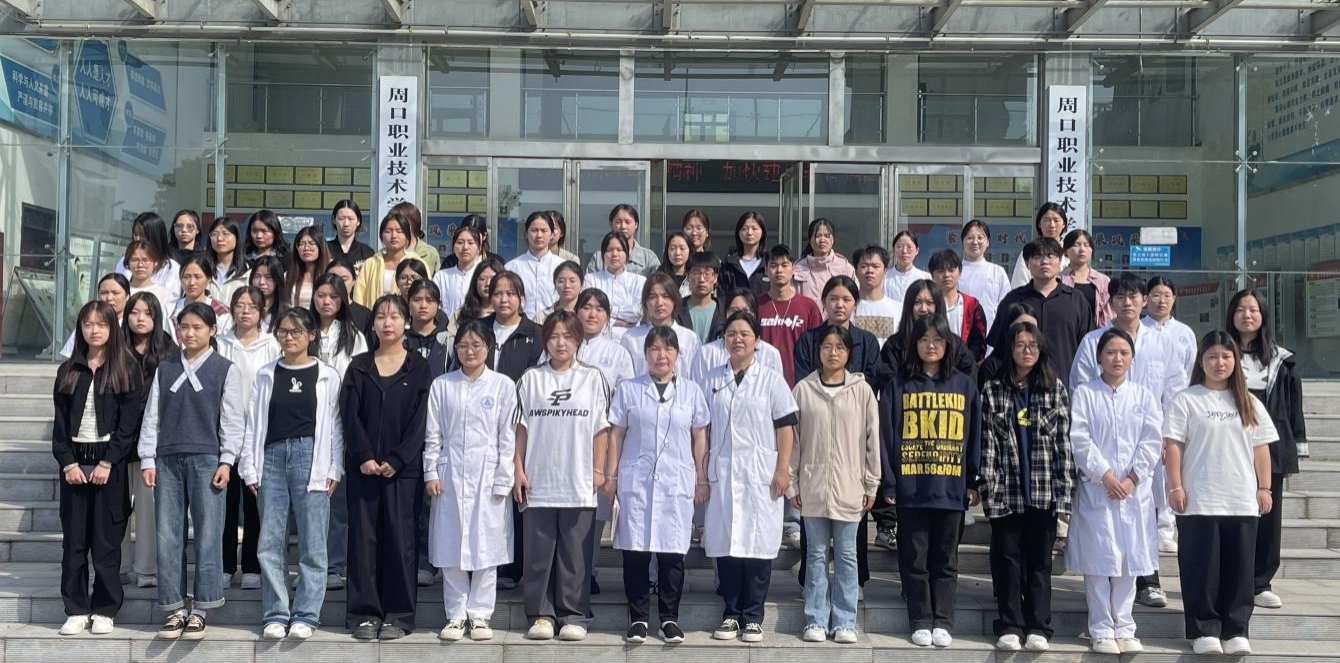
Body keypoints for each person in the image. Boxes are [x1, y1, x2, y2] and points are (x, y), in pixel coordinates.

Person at [1071, 273, 1188, 607]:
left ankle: (1149, 583)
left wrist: (1169, 436)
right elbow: (1080, 386)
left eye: (1133, 296)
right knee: (1103, 532)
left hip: (1147, 444)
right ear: (1110, 302)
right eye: (1120, 297)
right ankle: (1102, 604)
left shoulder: (1161, 342)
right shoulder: (1093, 341)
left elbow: (1174, 389)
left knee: (1143, 520)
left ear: (1144, 300)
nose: (1127, 302)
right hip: (1102, 447)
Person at [1164, 331, 1277, 656]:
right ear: (1201, 362)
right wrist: (1175, 486)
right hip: (1199, 498)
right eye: (1212, 357)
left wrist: (1264, 487)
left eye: (1226, 356)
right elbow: (1173, 445)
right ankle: (1204, 630)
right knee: (1201, 569)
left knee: (1239, 570)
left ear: (1235, 361)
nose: (1219, 362)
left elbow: (1261, 449)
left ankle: (1235, 629)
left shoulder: (1249, 402)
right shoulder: (1187, 399)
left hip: (1240, 499)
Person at [139, 302, 245, 640]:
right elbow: (152, 417)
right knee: (168, 535)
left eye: (198, 327)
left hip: (207, 460)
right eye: (184, 326)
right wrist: (148, 459)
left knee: (208, 533)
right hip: (167, 459)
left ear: (212, 330)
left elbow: (232, 419)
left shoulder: (225, 369)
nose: (190, 333)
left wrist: (227, 460)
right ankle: (173, 608)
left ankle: (201, 607)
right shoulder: (166, 368)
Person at [239, 307, 343, 641]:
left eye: (297, 331)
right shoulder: (266, 373)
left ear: (312, 335)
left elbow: (335, 425)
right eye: (283, 331)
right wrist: (248, 466)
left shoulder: (326, 375)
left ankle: (307, 614)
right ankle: (276, 612)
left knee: (313, 541)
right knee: (270, 540)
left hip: (311, 456)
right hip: (271, 456)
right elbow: (253, 422)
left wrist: (335, 466)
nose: (289, 337)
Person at [878, 314, 982, 649]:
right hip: (911, 489)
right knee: (915, 559)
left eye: (938, 339)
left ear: (948, 344)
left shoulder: (964, 385)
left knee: (946, 560)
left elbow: (975, 435)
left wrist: (973, 480)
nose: (931, 345)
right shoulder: (898, 385)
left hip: (951, 489)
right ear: (915, 344)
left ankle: (943, 620)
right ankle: (920, 619)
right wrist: (890, 483)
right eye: (924, 339)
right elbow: (886, 437)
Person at [604, 326, 710, 645]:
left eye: (668, 349)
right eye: (654, 349)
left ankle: (668, 619)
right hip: (635, 481)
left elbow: (699, 436)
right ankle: (638, 618)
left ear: (677, 354)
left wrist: (701, 477)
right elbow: (616, 434)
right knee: (635, 552)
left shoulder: (691, 391)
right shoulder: (629, 390)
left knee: (672, 553)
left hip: (676, 482)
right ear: (645, 354)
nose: (661, 355)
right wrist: (611, 476)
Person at [514, 311, 611, 642]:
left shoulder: (592, 378)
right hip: (539, 478)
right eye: (554, 336)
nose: (560, 343)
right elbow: (521, 429)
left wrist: (598, 469)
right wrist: (518, 469)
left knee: (575, 555)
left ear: (578, 340)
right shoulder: (531, 379)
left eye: (567, 336)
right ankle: (540, 614)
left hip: (578, 478)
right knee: (538, 555)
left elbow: (601, 428)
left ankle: (573, 615)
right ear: (545, 341)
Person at [702, 311, 798, 644]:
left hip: (761, 475)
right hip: (723, 473)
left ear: (757, 340)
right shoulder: (712, 378)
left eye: (744, 334)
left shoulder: (771, 379)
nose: (737, 339)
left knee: (757, 544)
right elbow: (701, 428)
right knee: (727, 543)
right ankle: (731, 613)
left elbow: (785, 428)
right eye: (731, 334)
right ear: (723, 340)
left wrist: (783, 468)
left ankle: (753, 616)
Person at [981, 321, 1077, 653]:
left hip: (1043, 492)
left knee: (1039, 563)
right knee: (1008, 561)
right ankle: (1010, 624)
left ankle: (1038, 625)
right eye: (1020, 345)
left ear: (1041, 350)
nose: (1026, 351)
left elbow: (1064, 445)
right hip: (1005, 492)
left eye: (1032, 345)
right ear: (1010, 349)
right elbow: (987, 445)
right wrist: (989, 489)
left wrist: (1064, 495)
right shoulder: (993, 390)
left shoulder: (1054, 389)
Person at [1067, 327, 1163, 655]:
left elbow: (1152, 440)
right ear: (1099, 357)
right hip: (1098, 489)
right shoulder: (1085, 394)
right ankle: (1100, 627)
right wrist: (1105, 475)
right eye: (1110, 352)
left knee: (1127, 561)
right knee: (1098, 561)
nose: (1117, 358)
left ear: (1132, 358)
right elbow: (1080, 439)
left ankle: (1124, 626)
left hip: (1134, 493)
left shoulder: (1143, 396)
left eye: (1124, 353)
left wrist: (1132, 478)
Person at [341, 295, 432, 640]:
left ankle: (399, 615)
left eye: (394, 316)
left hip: (402, 472)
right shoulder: (359, 366)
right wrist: (363, 455)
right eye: (381, 316)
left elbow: (421, 420)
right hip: (363, 469)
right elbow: (349, 415)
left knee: (400, 541)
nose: (387, 322)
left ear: (406, 322)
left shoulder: (418, 367)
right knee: (363, 541)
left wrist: (398, 459)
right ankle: (364, 613)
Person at [424, 319, 517, 642]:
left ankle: (479, 614)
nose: (470, 351)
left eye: (476, 345)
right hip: (450, 472)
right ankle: (455, 614)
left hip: (488, 473)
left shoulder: (502, 385)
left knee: (486, 546)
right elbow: (433, 434)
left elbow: (507, 437)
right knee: (450, 543)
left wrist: (503, 478)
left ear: (488, 347)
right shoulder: (442, 385)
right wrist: (431, 471)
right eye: (463, 345)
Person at [53, 301, 143, 636]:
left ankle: (105, 609)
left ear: (112, 329)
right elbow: (60, 426)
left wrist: (108, 461)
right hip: (75, 462)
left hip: (110, 462)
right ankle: (76, 608)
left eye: (101, 325)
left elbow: (128, 425)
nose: (95, 330)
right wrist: (68, 462)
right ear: (80, 329)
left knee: (107, 541)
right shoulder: (69, 370)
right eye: (88, 324)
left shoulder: (126, 368)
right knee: (75, 541)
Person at [789, 324, 880, 645]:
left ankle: (844, 621)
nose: (833, 353)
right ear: (818, 351)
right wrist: (792, 483)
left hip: (849, 486)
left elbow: (872, 439)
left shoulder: (862, 390)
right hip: (812, 485)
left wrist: (871, 483)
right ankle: (815, 619)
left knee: (847, 555)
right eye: (826, 346)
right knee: (815, 555)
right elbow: (793, 441)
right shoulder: (803, 389)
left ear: (849, 353)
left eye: (839, 347)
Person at [1226, 289, 1306, 611]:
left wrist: (1294, 449)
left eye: (1253, 310)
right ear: (1231, 315)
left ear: (1263, 316)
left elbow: (1294, 408)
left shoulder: (1281, 361)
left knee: (1268, 517)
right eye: (1240, 309)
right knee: (1232, 518)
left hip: (1270, 448)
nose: (1247, 315)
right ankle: (1232, 581)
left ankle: (1261, 583)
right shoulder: (1221, 354)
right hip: (1228, 447)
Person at [469, 271, 545, 590]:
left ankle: (513, 567)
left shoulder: (535, 334)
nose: (504, 299)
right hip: (480, 424)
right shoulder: (478, 329)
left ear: (521, 298)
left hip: (521, 423)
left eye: (511, 293)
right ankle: (480, 562)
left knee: (515, 491)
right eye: (498, 293)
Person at [217, 287, 282, 591]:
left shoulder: (272, 344)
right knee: (226, 503)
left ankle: (253, 566)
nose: (245, 311)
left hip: (261, 433)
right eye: (240, 305)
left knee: (255, 502)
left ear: (262, 312)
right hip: (226, 432)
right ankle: (226, 565)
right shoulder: (221, 343)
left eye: (252, 306)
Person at [574, 287, 635, 592]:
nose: (592, 314)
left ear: (607, 316)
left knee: (597, 510)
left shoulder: (617, 352)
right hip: (567, 438)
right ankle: (569, 572)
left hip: (603, 437)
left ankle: (590, 571)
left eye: (599, 309)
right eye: (586, 307)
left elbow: (625, 401)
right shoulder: (563, 344)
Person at [120, 291, 176, 589]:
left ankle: (146, 569)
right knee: (115, 510)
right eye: (134, 312)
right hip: (117, 441)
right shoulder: (115, 347)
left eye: (147, 313)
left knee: (148, 509)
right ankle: (116, 566)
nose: (140, 318)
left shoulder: (169, 351)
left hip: (153, 442)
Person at [989, 238, 1093, 387]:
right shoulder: (1013, 300)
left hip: (1065, 385)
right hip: (1018, 388)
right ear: (1027, 263)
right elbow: (1000, 347)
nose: (1045, 261)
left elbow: (1087, 347)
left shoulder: (1076, 300)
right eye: (1037, 256)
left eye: (1051, 256)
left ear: (1060, 262)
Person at [875, 279, 977, 394]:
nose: (923, 309)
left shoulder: (954, 343)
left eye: (929, 303)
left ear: (938, 306)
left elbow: (969, 382)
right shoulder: (895, 345)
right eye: (917, 302)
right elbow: (888, 387)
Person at [793, 275, 880, 385]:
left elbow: (871, 383)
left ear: (856, 304)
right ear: (824, 302)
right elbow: (802, 381)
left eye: (846, 300)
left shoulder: (868, 342)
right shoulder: (807, 341)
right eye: (833, 299)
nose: (839, 305)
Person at [757, 244, 823, 388]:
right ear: (766, 270)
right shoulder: (756, 305)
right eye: (773, 265)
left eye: (784, 265)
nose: (779, 270)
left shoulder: (808, 307)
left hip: (800, 383)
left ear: (793, 269)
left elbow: (818, 347)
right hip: (761, 383)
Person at [690, 289, 784, 389]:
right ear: (725, 314)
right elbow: (696, 392)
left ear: (755, 315)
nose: (740, 316)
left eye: (746, 311)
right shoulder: (706, 354)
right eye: (734, 311)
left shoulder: (770, 354)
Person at [621, 273, 701, 377]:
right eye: (653, 297)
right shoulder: (630, 338)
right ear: (645, 302)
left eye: (665, 296)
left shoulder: (690, 339)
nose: (659, 303)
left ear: (674, 300)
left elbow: (696, 377)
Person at [353, 210, 425, 308]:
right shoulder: (371, 264)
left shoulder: (417, 263)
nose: (394, 236)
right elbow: (359, 296)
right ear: (381, 235)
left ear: (407, 236)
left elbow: (427, 291)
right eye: (388, 231)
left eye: (399, 231)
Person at [584, 232, 647, 338]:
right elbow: (589, 311)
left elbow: (637, 313)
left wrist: (607, 310)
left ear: (627, 254)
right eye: (609, 250)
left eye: (619, 250)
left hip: (629, 338)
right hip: (599, 338)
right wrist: (615, 322)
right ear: (603, 254)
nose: (614, 254)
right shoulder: (591, 279)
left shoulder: (639, 281)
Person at [929, 250, 988, 363]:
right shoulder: (926, 306)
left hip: (964, 367)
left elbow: (979, 343)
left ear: (959, 272)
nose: (946, 275)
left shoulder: (972, 305)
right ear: (932, 275)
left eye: (951, 270)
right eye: (941, 271)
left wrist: (965, 362)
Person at [507, 211, 565, 320]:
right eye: (534, 230)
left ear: (552, 234)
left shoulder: (562, 266)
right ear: (526, 234)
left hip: (553, 324)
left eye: (544, 231)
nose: (539, 235)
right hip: (520, 325)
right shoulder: (512, 267)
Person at [311, 274, 370, 379]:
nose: (326, 302)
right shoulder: (304, 333)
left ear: (342, 299)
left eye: (333, 297)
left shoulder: (354, 337)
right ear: (313, 297)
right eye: (321, 296)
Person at [958, 219, 1012, 330]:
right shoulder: (955, 272)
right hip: (960, 332)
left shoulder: (997, 272)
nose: (975, 242)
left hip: (992, 334)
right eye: (970, 238)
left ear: (987, 242)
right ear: (962, 242)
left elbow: (1007, 307)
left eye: (980, 238)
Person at [61, 273, 131, 358]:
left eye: (115, 293)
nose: (109, 298)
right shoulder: (86, 325)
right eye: (104, 293)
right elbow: (68, 358)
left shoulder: (132, 327)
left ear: (127, 296)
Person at [115, 212, 182, 301]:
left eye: (142, 235)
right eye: (135, 234)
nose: (138, 239)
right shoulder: (124, 261)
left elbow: (171, 301)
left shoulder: (171, 268)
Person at [432, 220, 487, 321]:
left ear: (479, 248)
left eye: (471, 243)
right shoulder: (441, 276)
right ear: (453, 247)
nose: (465, 247)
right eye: (460, 242)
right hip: (447, 328)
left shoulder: (483, 276)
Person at [793, 218, 856, 305]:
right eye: (818, 236)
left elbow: (854, 297)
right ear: (810, 240)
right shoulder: (798, 268)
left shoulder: (845, 267)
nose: (822, 240)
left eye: (827, 236)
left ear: (833, 239)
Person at [1143, 276, 1197, 375]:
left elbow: (1191, 368)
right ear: (1146, 299)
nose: (1162, 301)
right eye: (1156, 295)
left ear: (1173, 299)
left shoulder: (1184, 332)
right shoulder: (1138, 328)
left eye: (1167, 296)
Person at [587, 204, 661, 276]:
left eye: (627, 222)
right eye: (618, 222)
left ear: (636, 224)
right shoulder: (598, 258)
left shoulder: (648, 257)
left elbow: (659, 282)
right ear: (611, 224)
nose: (623, 226)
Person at [979, 303, 1039, 388]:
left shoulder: (1043, 366)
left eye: (1032, 328)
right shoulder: (991, 367)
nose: (1025, 332)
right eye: (1020, 327)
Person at [1060, 229, 1112, 328]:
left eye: (1086, 245)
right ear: (1066, 250)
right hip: (1066, 333)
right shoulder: (1058, 279)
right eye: (1076, 245)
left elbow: (1108, 317)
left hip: (1095, 335)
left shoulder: (1103, 281)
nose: (1082, 249)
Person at [852, 245, 901, 347]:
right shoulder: (848, 308)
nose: (870, 270)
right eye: (864, 266)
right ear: (856, 272)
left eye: (875, 266)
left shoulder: (899, 309)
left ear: (885, 272)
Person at [1011, 203, 1069, 288]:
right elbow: (1019, 284)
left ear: (1064, 224)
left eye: (1056, 220)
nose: (1052, 225)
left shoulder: (1070, 251)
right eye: (1047, 220)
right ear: (1039, 223)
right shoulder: (1030, 251)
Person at [174, 254, 233, 335]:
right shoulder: (169, 310)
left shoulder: (222, 314)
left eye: (197, 277)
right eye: (186, 277)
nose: (192, 283)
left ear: (208, 279)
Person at [404, 280, 451, 378]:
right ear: (408, 303)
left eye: (429, 300)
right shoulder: (401, 340)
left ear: (438, 304)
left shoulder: (449, 341)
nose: (423, 306)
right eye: (417, 300)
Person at [718, 211, 769, 295]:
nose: (749, 233)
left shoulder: (769, 262)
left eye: (754, 228)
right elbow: (722, 295)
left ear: (762, 232)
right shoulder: (728, 264)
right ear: (738, 232)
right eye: (744, 228)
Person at [204, 218, 251, 307]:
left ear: (237, 237)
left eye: (225, 234)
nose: (219, 238)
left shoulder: (248, 271)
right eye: (214, 234)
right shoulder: (202, 269)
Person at [285, 227, 331, 309]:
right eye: (301, 244)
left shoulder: (331, 273)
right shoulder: (287, 276)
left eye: (312, 243)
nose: (306, 248)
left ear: (321, 246)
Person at [124, 241, 178, 312]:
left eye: (145, 260)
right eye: (135, 260)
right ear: (128, 263)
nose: (140, 265)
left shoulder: (164, 295)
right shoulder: (120, 291)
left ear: (155, 263)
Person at [390, 201, 441, 275]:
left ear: (413, 223)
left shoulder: (430, 253)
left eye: (400, 221)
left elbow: (436, 280)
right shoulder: (385, 253)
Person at [883, 231, 931, 302]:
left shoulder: (925, 278)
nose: (904, 251)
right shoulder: (884, 277)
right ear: (893, 250)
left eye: (909, 247)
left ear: (917, 250)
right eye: (899, 247)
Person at [684, 252, 720, 344]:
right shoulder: (677, 310)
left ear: (715, 278)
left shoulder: (723, 311)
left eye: (707, 274)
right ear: (688, 277)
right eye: (695, 273)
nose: (701, 279)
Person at [327, 199, 375, 269]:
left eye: (350, 219)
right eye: (341, 218)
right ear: (334, 220)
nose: (346, 224)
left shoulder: (367, 252)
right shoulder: (325, 249)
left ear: (358, 221)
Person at [459, 256, 506, 326]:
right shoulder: (461, 314)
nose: (488, 283)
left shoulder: (509, 313)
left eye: (493, 279)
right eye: (482, 279)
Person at [249, 255, 286, 333]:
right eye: (257, 276)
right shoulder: (245, 310)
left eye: (268, 277)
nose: (261, 282)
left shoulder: (286, 313)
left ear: (277, 280)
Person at [658, 231, 694, 297]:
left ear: (690, 250)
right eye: (672, 249)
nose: (677, 253)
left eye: (682, 248)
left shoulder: (696, 277)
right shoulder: (659, 277)